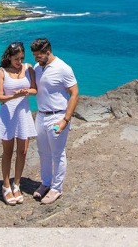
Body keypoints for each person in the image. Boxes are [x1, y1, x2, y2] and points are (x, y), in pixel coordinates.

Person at [0, 41, 37, 205]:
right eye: (16, 59)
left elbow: (35, 89)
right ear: (9, 57)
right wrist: (14, 96)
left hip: (23, 115)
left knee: (22, 151)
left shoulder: (28, 68)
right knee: (7, 152)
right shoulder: (0, 72)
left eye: (21, 58)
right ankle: (6, 185)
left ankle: (17, 184)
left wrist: (26, 91)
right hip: (8, 115)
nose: (19, 62)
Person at [30, 37, 79, 204]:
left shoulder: (63, 68)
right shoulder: (38, 67)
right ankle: (45, 183)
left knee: (58, 154)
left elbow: (74, 93)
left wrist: (65, 120)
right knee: (43, 153)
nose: (36, 59)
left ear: (48, 52)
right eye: (34, 55)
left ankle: (56, 188)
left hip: (57, 116)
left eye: (38, 55)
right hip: (41, 115)